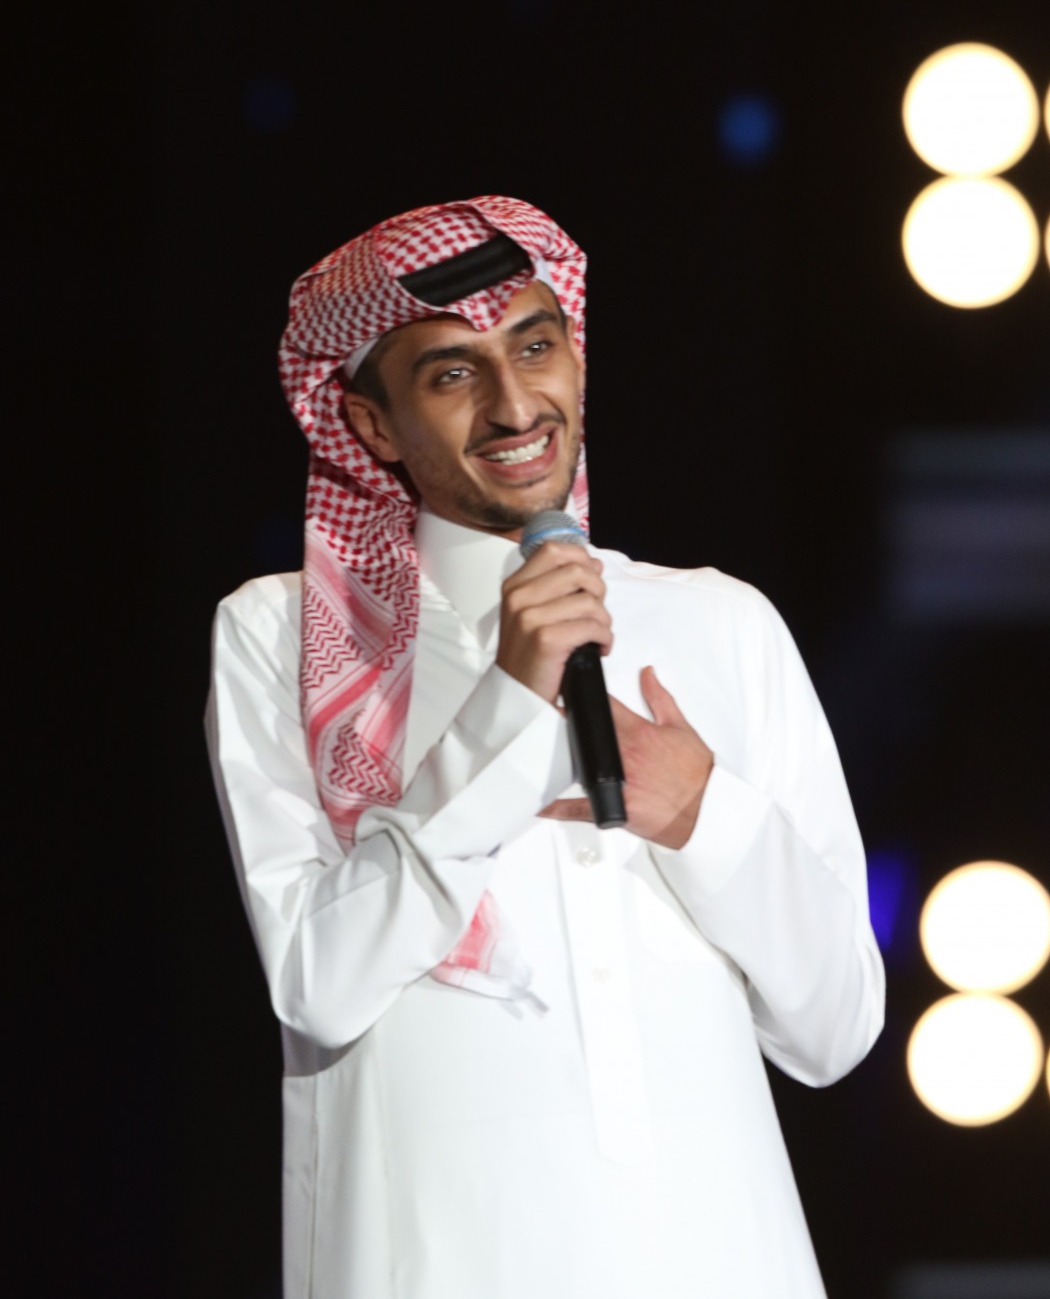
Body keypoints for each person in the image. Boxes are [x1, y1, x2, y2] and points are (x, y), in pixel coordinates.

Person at [206, 195, 884, 1299]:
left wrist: (703, 815)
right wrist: (508, 704)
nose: (516, 403)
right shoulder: (285, 634)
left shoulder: (720, 621)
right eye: (452, 372)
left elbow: (835, 1029)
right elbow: (320, 985)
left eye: (535, 346)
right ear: (373, 426)